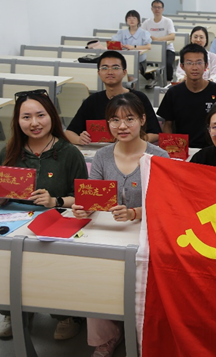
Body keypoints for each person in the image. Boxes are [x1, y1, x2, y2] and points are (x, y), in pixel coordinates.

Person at [71, 93, 168, 357]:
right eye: (114, 120)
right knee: (95, 273)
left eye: (129, 119)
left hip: (146, 234)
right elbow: (94, 196)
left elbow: (167, 204)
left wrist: (135, 212)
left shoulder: (159, 156)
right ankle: (106, 337)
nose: (122, 126)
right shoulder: (102, 155)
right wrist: (85, 206)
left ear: (143, 120)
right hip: (109, 233)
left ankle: (145, 333)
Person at [0, 90, 87, 341]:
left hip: (55, 223)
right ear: (17, 120)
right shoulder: (10, 151)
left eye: (40, 115)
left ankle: (64, 314)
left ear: (51, 116)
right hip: (14, 223)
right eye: (26, 117)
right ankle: (12, 311)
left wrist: (55, 201)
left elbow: (82, 197)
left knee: (52, 267)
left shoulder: (70, 153)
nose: (34, 123)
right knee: (2, 261)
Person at [66, 51, 161, 144]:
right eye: (104, 68)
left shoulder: (138, 98)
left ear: (124, 72)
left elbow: (156, 133)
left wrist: (134, 140)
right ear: (99, 73)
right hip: (99, 150)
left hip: (132, 149)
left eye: (115, 68)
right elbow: (69, 132)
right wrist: (79, 139)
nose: (110, 72)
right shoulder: (92, 101)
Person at [157, 44, 216, 148]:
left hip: (213, 148)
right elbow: (167, 125)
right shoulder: (173, 93)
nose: (194, 67)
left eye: (199, 63)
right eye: (189, 63)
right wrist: (171, 148)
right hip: (182, 149)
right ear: (182, 66)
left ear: (206, 65)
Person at [141, 0, 176, 82]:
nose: (157, 9)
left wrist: (157, 39)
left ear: (162, 9)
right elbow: (141, 35)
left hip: (167, 49)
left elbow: (172, 36)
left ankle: (169, 81)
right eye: (155, 7)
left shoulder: (168, 21)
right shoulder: (147, 22)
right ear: (151, 9)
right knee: (139, 63)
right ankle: (151, 79)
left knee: (168, 63)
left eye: (159, 7)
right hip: (150, 50)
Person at [111, 10, 152, 80]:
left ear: (138, 20)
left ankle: (132, 87)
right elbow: (113, 44)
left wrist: (133, 47)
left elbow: (149, 46)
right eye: (129, 18)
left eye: (134, 18)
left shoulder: (144, 33)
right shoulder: (122, 32)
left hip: (139, 62)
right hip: (123, 61)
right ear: (126, 20)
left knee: (130, 73)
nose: (131, 20)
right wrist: (119, 45)